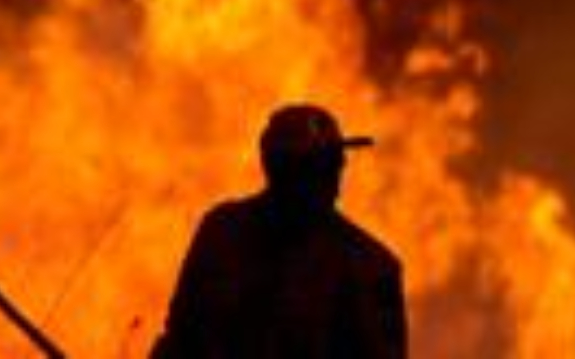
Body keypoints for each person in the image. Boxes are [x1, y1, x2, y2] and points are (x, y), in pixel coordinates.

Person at [151, 103, 407, 358]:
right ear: (275, 167)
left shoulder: (370, 267)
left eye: (332, 165)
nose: (330, 177)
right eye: (313, 168)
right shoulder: (222, 231)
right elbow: (181, 336)